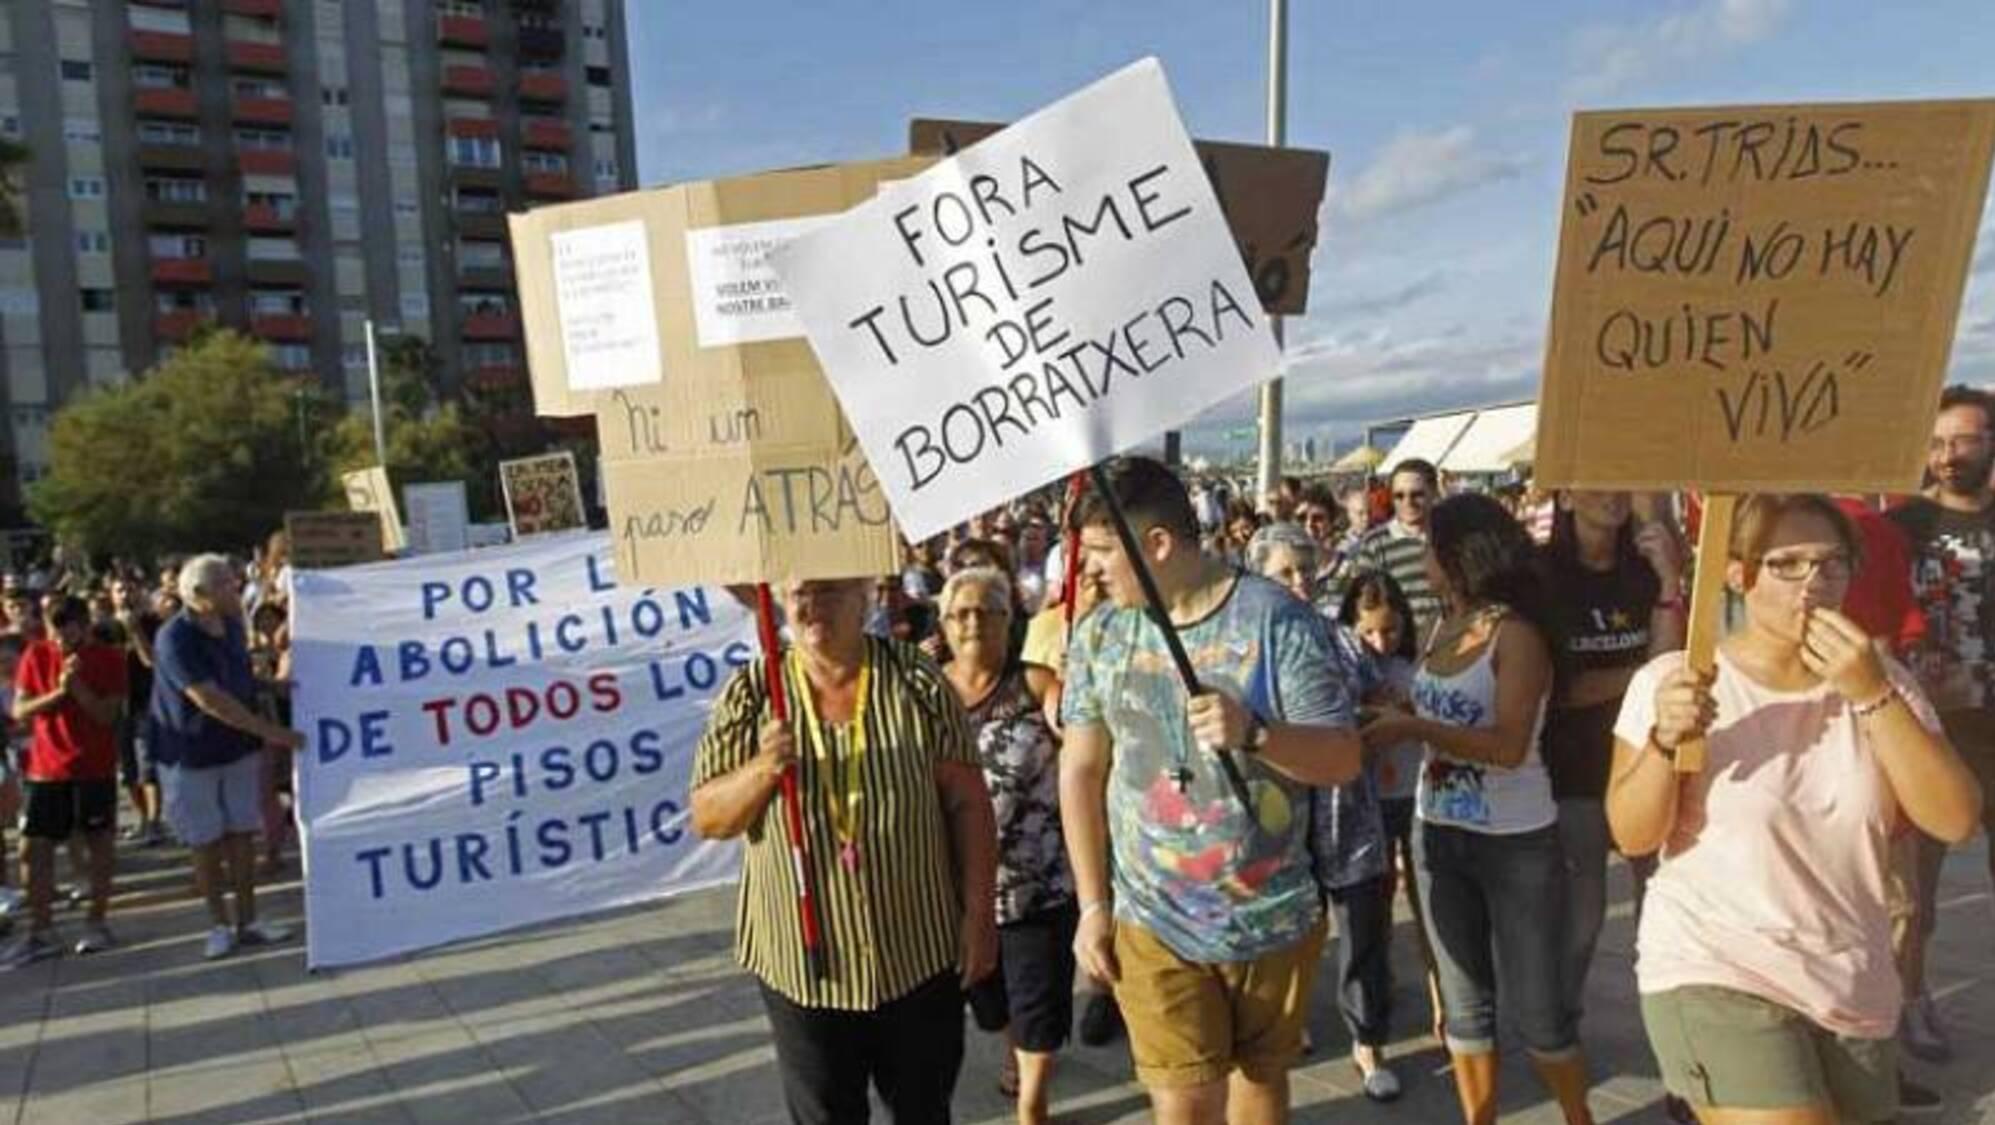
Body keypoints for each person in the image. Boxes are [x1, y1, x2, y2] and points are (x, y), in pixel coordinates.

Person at [1608, 493, 1984, 1124]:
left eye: (1833, 564)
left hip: (1850, 982)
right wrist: (1663, 741)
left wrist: (1870, 693)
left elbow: (1956, 819)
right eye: (1788, 564)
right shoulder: (1676, 680)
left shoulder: (1883, 681)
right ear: (1738, 573)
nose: (1814, 583)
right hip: (1716, 965)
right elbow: (1633, 835)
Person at [1061, 457, 1364, 1125]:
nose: (1090, 570)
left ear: (1158, 544)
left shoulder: (1276, 620)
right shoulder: (1099, 633)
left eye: (1105, 552)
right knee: (1184, 1103)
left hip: (1272, 912)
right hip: (1153, 916)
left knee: (1259, 1084)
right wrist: (1090, 903)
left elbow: (1341, 756)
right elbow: (1080, 769)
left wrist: (1255, 733)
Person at [690, 576, 998, 1125]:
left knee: (925, 1109)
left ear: (866, 596)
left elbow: (969, 805)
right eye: (798, 594)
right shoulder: (754, 691)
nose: (812, 607)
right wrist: (763, 768)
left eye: (829, 591)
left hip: (918, 953)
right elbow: (709, 817)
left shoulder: (915, 678)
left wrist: (979, 917)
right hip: (804, 969)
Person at [1361, 493, 1594, 1125]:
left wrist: (1413, 732)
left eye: (1430, 545)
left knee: (1541, 1012)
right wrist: (1402, 718)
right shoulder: (1444, 622)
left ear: (1458, 554)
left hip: (1515, 840)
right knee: (1464, 1010)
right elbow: (1442, 716)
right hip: (1438, 831)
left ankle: (1578, 1117)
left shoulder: (1515, 634)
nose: (1422, 557)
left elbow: (1510, 747)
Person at [1242, 524, 1398, 1101]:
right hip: (1279, 812)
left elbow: (1383, 699)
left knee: (1361, 928)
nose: (1299, 581)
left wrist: (1361, 725)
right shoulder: (1245, 642)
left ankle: (1368, 1040)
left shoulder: (1340, 637)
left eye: (1306, 569)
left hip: (1347, 805)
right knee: (1289, 928)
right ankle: (1291, 1022)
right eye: (1285, 571)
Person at [1538, 492, 1684, 1031]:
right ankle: (1558, 1018)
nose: (1615, 494)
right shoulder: (1545, 575)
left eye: (1624, 482)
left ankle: (1672, 1026)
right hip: (1573, 772)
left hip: (1651, 759)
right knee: (1583, 917)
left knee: (1665, 909)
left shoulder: (1642, 571)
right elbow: (1561, 689)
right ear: (1568, 494)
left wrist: (1669, 582)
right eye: (1598, 481)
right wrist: (1640, 674)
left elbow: (1670, 664)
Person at [943, 567, 1074, 1125]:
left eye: (988, 611)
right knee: (989, 1001)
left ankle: (1032, 1104)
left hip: (1037, 883)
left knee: (1037, 1000)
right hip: (957, 887)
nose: (975, 622)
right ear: (945, 624)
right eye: (962, 612)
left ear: (1009, 621)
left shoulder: (1037, 683)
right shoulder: (926, 688)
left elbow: (1083, 739)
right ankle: (1011, 1049)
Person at [1888, 384, 1995, 1064]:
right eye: (1935, 442)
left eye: (1961, 440)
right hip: (1930, 729)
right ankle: (1911, 998)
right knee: (1914, 894)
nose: (1947, 455)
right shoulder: (1900, 525)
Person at [149, 554, 303, 961]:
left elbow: (236, 680)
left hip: (237, 750)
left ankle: (248, 919)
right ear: (200, 595)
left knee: (241, 833)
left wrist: (273, 686)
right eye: (225, 584)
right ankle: (218, 924)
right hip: (191, 754)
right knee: (205, 841)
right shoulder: (174, 638)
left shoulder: (233, 626)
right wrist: (274, 733)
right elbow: (209, 698)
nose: (235, 587)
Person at [1337, 570, 1445, 1054]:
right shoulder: (1347, 671)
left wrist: (1409, 713)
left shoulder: (1414, 670)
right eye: (1370, 632)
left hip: (1417, 797)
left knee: (1434, 913)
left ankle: (1446, 1007)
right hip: (1369, 805)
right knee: (1371, 918)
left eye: (1391, 630)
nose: (1381, 641)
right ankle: (1371, 1027)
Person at [0, 596, 127, 966]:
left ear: (84, 623)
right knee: (33, 848)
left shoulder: (109, 658)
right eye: (54, 624)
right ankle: (41, 931)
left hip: (94, 768)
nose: (60, 632)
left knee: (98, 844)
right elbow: (20, 710)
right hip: (46, 768)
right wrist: (58, 691)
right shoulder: (36, 655)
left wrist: (79, 688)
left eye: (67, 623)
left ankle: (97, 922)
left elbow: (107, 715)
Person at [1356, 459, 1445, 643]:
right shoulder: (1375, 544)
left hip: (1452, 647)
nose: (1408, 502)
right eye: (1399, 496)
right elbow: (1365, 607)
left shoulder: (1454, 537)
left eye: (1417, 494)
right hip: (1402, 653)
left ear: (1434, 493)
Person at [111, 575, 164, 846]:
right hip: (119, 706)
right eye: (120, 589)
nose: (125, 595)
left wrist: (135, 631)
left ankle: (155, 821)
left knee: (148, 766)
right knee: (128, 769)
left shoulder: (154, 625)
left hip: (147, 702)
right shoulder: (105, 628)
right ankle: (142, 818)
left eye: (130, 589)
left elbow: (151, 661)